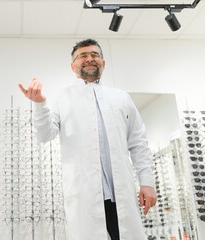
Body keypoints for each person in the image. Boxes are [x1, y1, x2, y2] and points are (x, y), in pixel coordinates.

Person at [18, 39, 157, 240]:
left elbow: (138, 143)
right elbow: (44, 134)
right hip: (85, 195)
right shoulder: (63, 97)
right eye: (82, 56)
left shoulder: (121, 97)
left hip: (121, 194)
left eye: (95, 54)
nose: (89, 59)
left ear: (103, 63)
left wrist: (147, 182)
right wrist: (40, 105)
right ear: (73, 66)